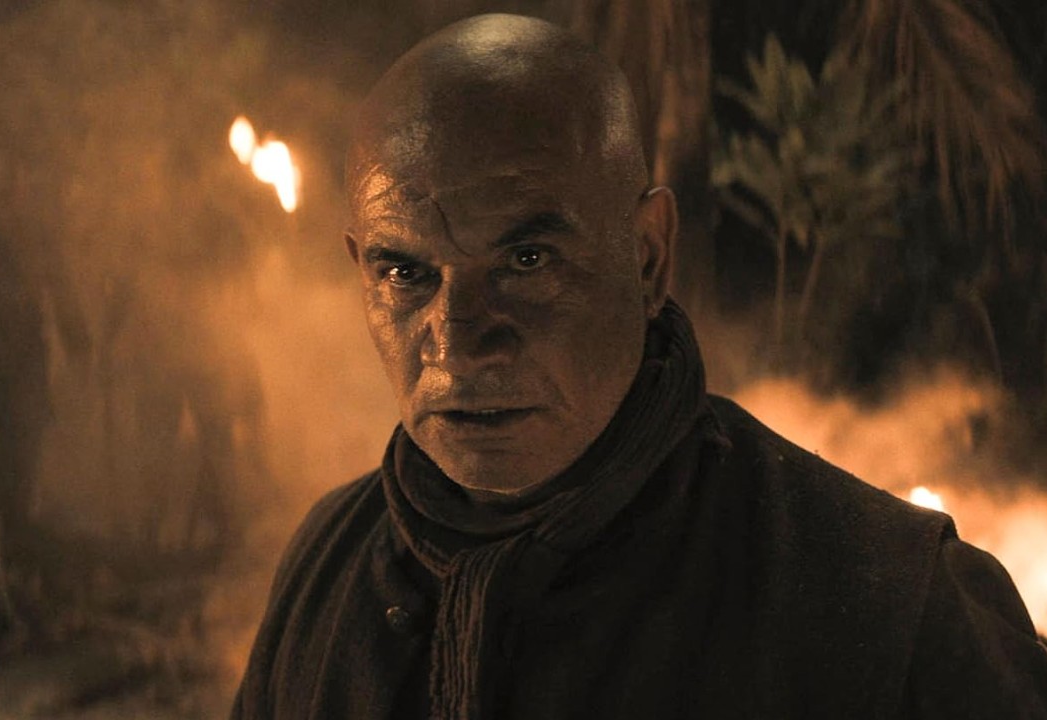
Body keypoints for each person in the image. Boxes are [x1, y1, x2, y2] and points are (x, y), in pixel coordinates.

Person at [231, 13, 1047, 720]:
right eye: (405, 272)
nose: (458, 338)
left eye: (525, 259)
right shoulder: (327, 566)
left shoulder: (888, 600)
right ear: (361, 270)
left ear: (648, 257)